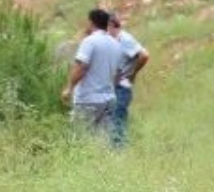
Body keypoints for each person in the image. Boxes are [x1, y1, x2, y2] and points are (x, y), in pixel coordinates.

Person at [62, 8, 121, 142]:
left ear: (91, 22)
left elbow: (81, 66)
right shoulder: (115, 44)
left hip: (88, 99)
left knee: (80, 142)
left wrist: (69, 88)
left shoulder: (89, 41)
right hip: (109, 99)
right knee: (103, 143)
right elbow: (117, 73)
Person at [109, 13, 149, 148]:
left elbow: (144, 55)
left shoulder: (124, 39)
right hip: (114, 87)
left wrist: (132, 74)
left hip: (121, 88)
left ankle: (119, 154)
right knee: (113, 122)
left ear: (111, 25)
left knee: (117, 121)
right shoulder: (114, 40)